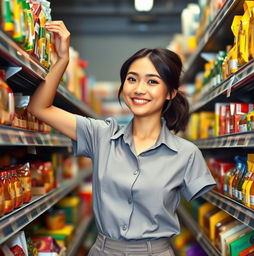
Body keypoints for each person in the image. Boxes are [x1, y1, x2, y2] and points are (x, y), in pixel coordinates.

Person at [28, 21, 216, 256]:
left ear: (170, 93)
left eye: (152, 81)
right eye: (132, 79)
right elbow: (39, 107)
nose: (139, 89)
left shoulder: (187, 154)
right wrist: (62, 60)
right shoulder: (101, 135)